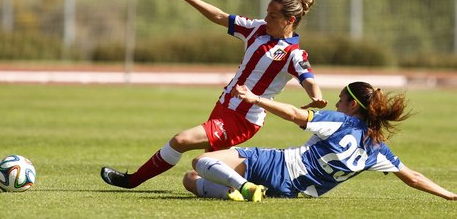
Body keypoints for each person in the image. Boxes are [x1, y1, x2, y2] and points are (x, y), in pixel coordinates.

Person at [100, 0, 327, 189]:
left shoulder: (293, 54)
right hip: (223, 107)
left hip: (243, 119)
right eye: (267, 13)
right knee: (203, 171)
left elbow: (308, 78)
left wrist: (315, 96)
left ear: (290, 21)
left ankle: (131, 181)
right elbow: (220, 16)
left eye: (273, 16)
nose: (266, 19)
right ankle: (249, 189)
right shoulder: (257, 28)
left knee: (181, 140)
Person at [182, 82, 457, 202]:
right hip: (289, 190)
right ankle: (241, 191)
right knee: (190, 179)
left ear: (352, 105)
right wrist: (450, 195)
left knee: (201, 160)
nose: (337, 102)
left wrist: (256, 99)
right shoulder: (377, 148)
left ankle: (243, 188)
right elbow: (414, 178)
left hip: (277, 164)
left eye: (341, 98)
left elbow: (293, 114)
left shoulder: (341, 121)